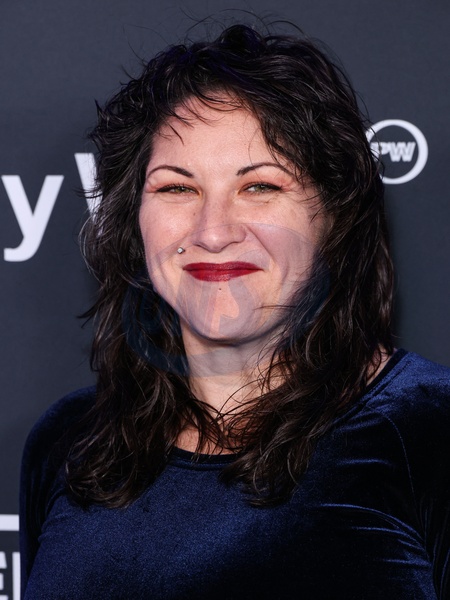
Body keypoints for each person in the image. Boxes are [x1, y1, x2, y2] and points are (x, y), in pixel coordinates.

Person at [20, 23, 450, 599]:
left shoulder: (429, 427)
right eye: (177, 188)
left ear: (333, 217)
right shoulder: (69, 442)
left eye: (260, 187)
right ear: (132, 221)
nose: (213, 232)